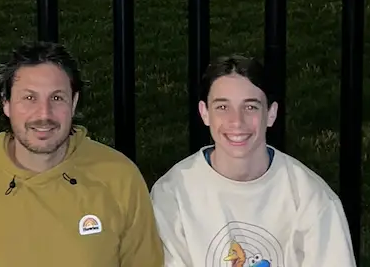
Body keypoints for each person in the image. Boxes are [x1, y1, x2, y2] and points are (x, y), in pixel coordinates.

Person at [0, 40, 164, 266]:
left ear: (73, 103)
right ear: (6, 103)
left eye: (57, 98)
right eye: (29, 98)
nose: (44, 114)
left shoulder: (119, 177)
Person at [150, 55, 356, 267]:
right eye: (222, 107)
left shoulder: (311, 197)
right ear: (204, 113)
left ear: (271, 114)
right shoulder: (173, 195)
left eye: (250, 107)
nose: (237, 121)